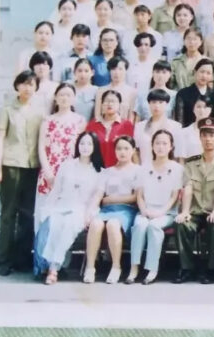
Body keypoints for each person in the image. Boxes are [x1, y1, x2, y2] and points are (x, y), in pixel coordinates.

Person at [33, 132, 104, 284]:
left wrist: (88, 214)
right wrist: (48, 209)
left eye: (89, 144)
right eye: (82, 143)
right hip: (61, 205)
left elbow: (96, 198)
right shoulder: (67, 165)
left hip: (82, 210)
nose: (85, 147)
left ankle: (54, 269)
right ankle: (45, 266)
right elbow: (56, 190)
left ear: (95, 147)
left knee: (68, 227)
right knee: (54, 225)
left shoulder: (99, 171)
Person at [173, 118, 214, 284]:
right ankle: (186, 268)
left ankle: (211, 269)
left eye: (212, 135)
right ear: (200, 138)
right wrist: (185, 211)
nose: (208, 139)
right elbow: (188, 188)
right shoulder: (192, 163)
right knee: (181, 224)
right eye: (205, 135)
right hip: (196, 210)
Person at [125, 129, 182, 285]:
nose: (161, 147)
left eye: (165, 143)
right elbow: (140, 194)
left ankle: (152, 269)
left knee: (154, 227)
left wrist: (160, 212)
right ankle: (134, 267)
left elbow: (174, 197)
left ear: (171, 146)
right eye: (157, 143)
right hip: (146, 209)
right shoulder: (144, 167)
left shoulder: (177, 168)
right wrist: (143, 210)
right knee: (140, 225)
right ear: (152, 146)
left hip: (166, 212)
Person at [83, 135, 140, 284]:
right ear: (115, 151)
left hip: (126, 210)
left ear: (133, 150)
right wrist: (90, 211)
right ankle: (90, 267)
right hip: (106, 210)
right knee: (95, 223)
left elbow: (134, 197)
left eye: (126, 148)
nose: (122, 152)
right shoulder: (107, 172)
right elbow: (98, 195)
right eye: (119, 148)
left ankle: (116, 267)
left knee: (113, 224)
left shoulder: (138, 171)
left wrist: (110, 199)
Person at [35, 84, 87, 231]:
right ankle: (41, 253)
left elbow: (82, 149)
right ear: (56, 98)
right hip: (49, 172)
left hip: (71, 174)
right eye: (61, 95)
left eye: (68, 95)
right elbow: (41, 148)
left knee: (65, 222)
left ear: (74, 99)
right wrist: (48, 173)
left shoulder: (80, 121)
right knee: (44, 217)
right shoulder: (47, 121)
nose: (65, 98)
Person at [86, 90, 136, 168]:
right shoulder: (92, 125)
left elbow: (131, 150)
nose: (110, 104)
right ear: (102, 104)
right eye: (106, 101)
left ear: (119, 105)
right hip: (95, 170)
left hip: (118, 170)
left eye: (113, 101)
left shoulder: (126, 125)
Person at [133, 89, 184, 165]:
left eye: (160, 102)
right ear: (149, 104)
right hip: (145, 170)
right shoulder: (139, 126)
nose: (157, 106)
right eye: (153, 102)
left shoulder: (176, 127)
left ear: (167, 104)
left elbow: (180, 154)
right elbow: (135, 152)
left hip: (169, 171)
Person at [173, 59, 214, 127]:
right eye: (202, 72)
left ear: (212, 76)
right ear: (195, 72)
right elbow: (179, 120)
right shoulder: (183, 94)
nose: (204, 76)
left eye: (208, 73)